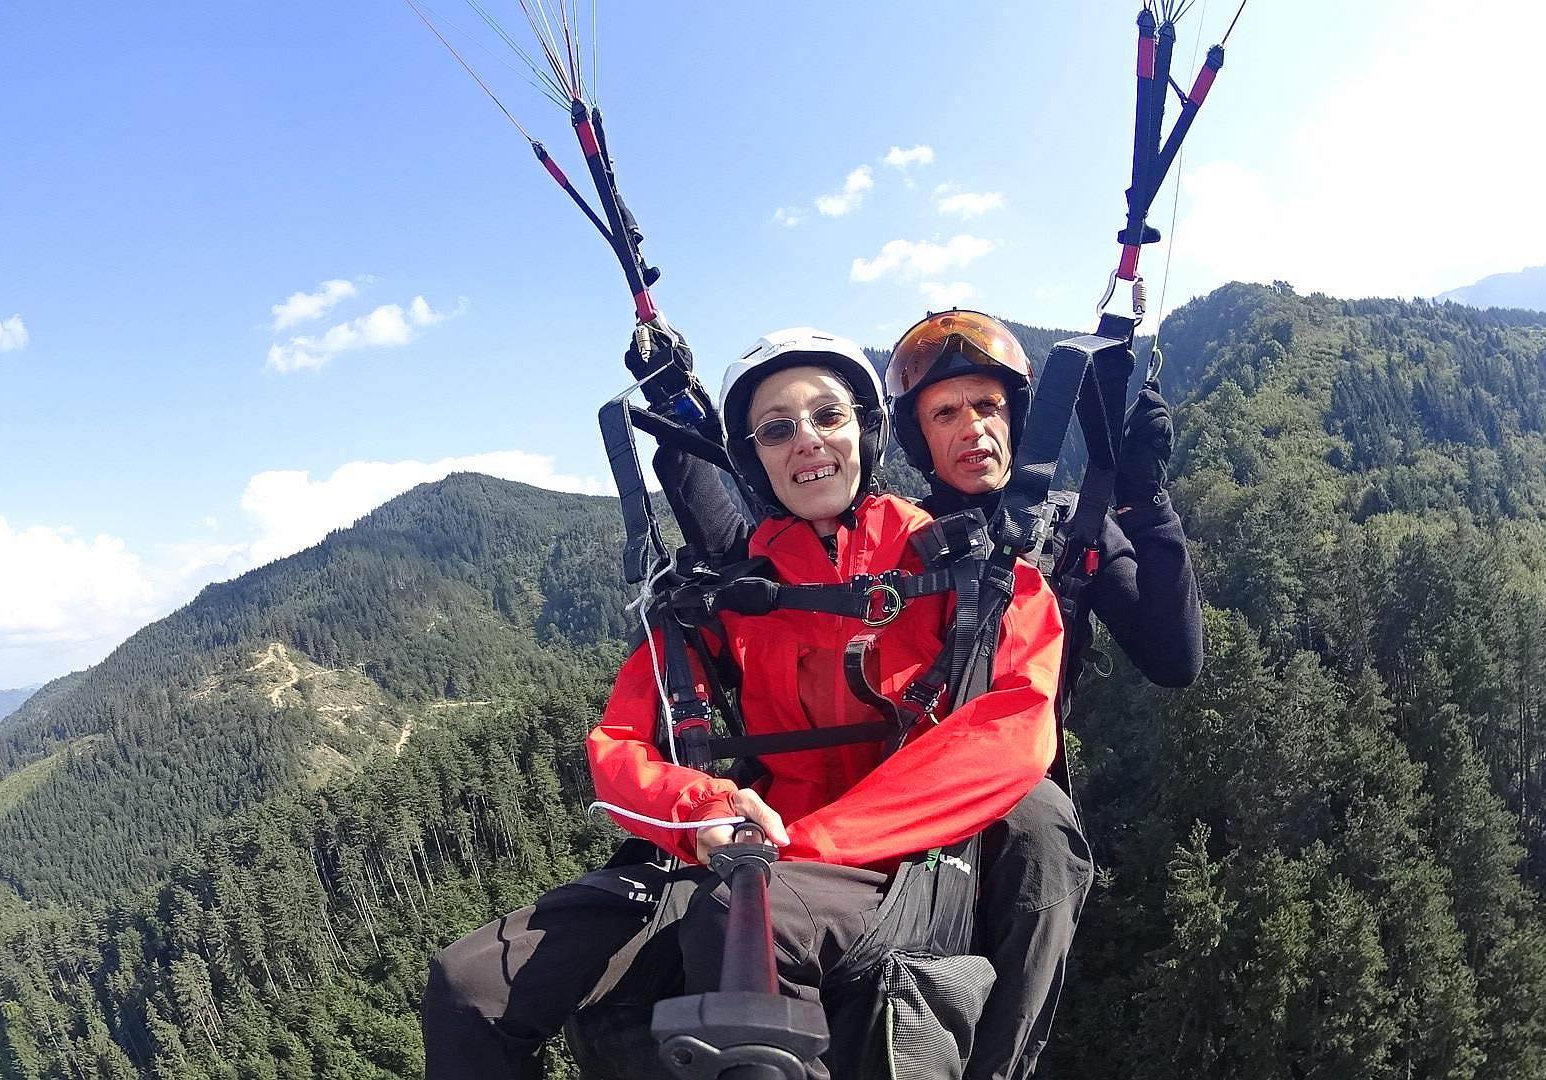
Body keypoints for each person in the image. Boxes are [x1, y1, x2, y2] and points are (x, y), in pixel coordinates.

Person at [421, 328, 1067, 1080]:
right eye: (777, 429)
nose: (807, 440)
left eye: (828, 416)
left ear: (865, 430)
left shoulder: (976, 570)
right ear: (754, 458)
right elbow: (621, 740)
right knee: (467, 988)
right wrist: (698, 809)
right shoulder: (729, 594)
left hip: (904, 862)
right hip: (741, 852)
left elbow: (1013, 734)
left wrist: (804, 845)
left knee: (741, 921)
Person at [884, 308, 1203, 1079]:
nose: (973, 427)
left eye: (988, 406)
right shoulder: (894, 538)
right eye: (945, 413)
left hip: (1023, 800)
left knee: (1044, 856)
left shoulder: (1071, 528)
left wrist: (1145, 501)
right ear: (919, 438)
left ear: (1017, 417)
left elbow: (1174, 658)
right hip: (906, 793)